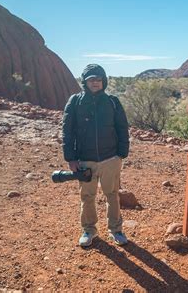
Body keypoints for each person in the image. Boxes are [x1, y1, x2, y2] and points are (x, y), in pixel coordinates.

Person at [62, 64, 130, 247]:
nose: (95, 82)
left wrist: (121, 154)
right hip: (85, 159)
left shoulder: (112, 101)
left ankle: (116, 230)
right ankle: (89, 230)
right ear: (85, 81)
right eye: (91, 79)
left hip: (110, 159)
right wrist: (70, 158)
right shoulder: (75, 101)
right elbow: (67, 132)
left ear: (104, 81)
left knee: (112, 194)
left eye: (99, 79)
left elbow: (122, 128)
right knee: (87, 196)